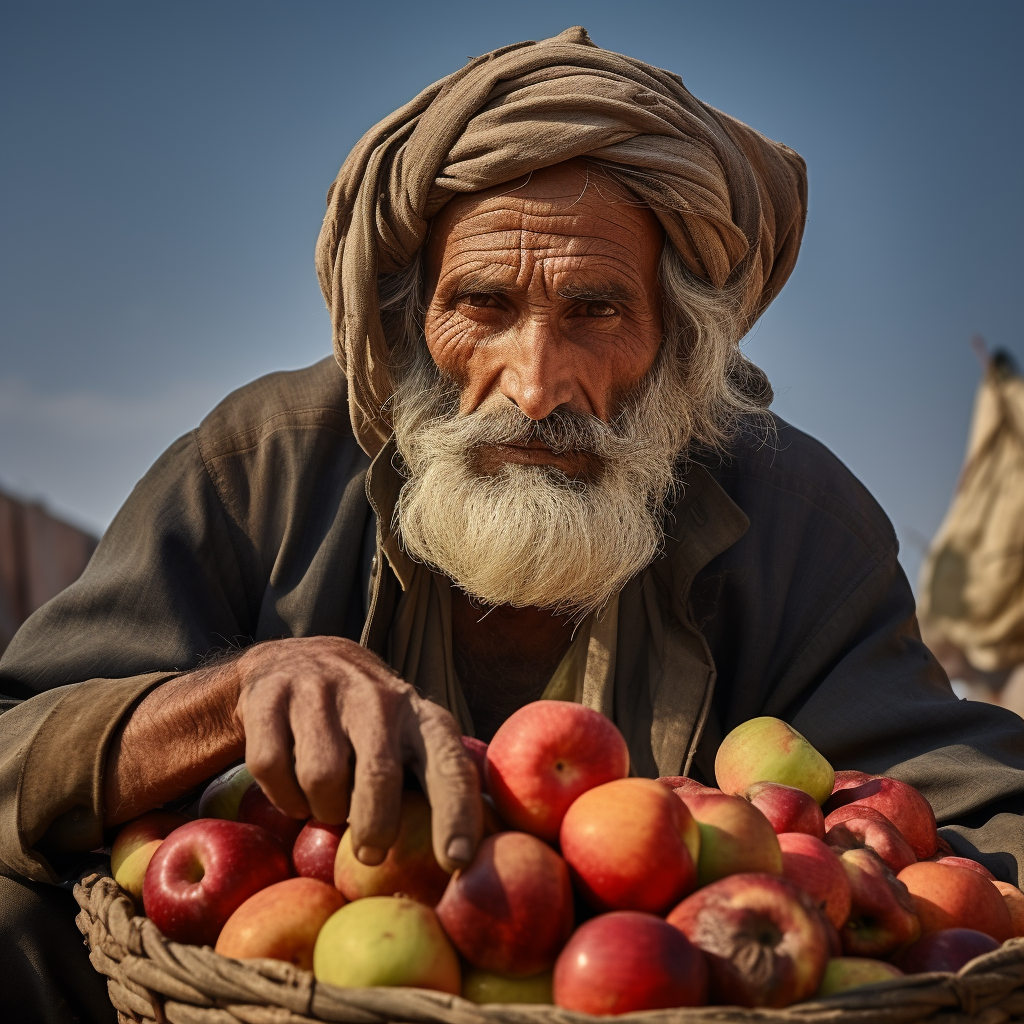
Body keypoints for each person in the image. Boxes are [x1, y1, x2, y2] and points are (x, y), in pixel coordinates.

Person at [1, 27, 1022, 1023]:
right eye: (483, 304)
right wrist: (227, 697)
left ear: (679, 338)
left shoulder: (799, 526)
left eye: (596, 309)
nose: (536, 387)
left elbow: (984, 825)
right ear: (405, 323)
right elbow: (16, 745)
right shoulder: (256, 465)